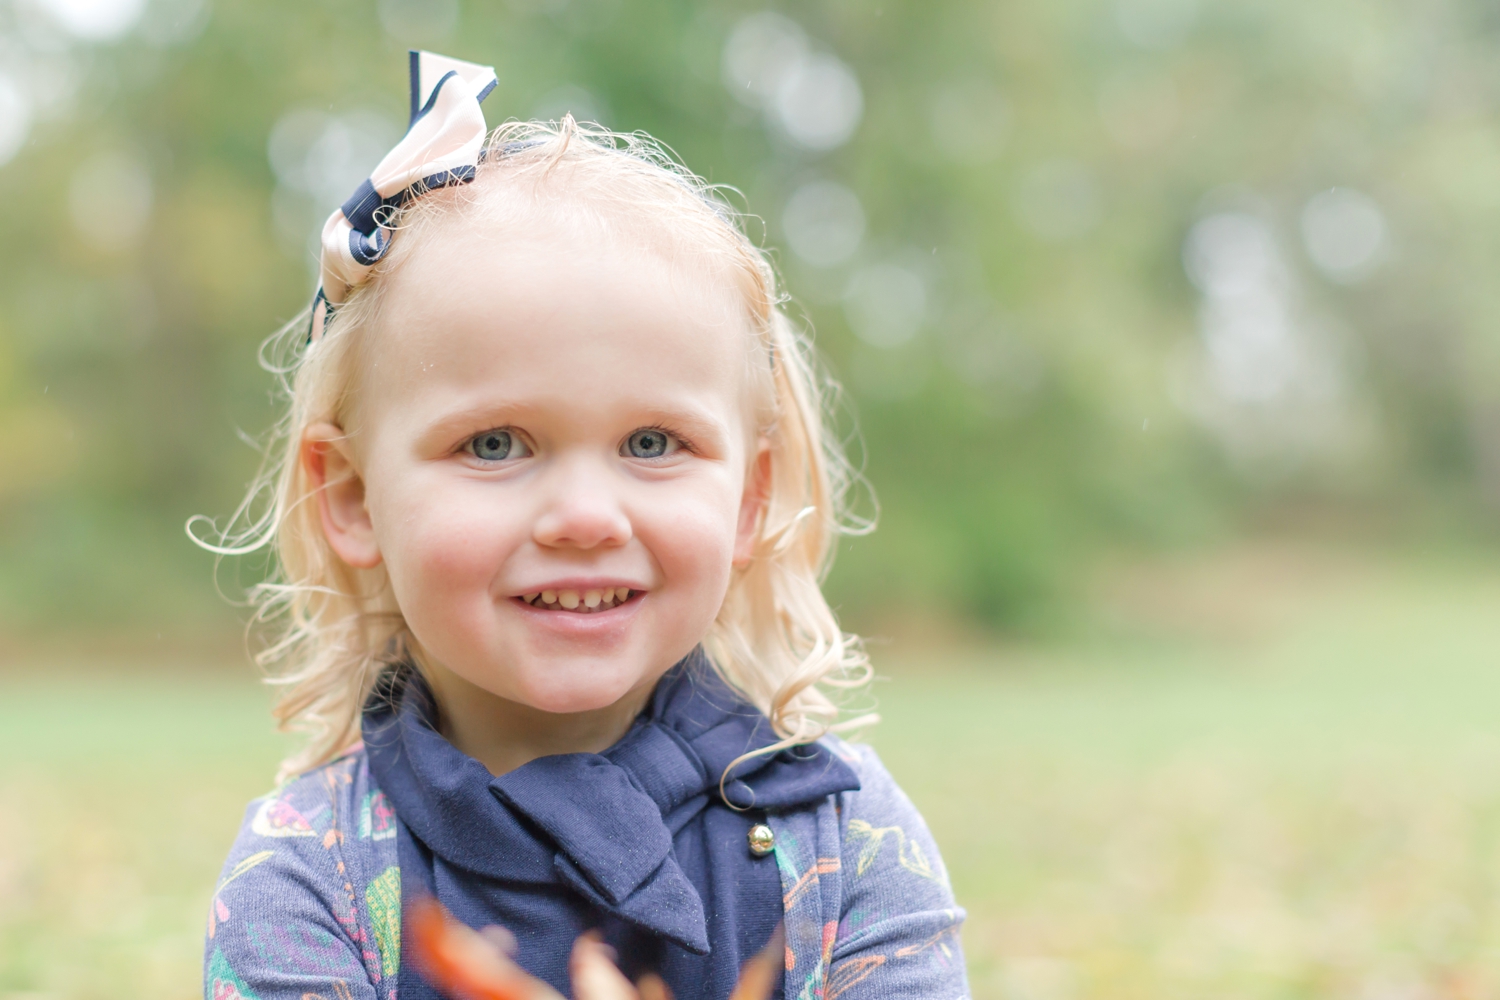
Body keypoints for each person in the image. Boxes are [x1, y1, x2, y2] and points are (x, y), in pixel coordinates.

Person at [199, 50, 968, 1000]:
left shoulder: (842, 839)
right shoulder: (308, 881)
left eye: (651, 442)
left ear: (750, 498)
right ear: (351, 499)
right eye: (492, 445)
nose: (584, 517)